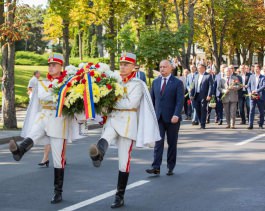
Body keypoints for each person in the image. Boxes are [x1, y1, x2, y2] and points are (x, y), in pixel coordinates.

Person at [9, 53, 83, 204]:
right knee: (34, 132)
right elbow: (43, 97)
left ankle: (58, 192)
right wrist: (56, 96)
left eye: (54, 65)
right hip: (44, 116)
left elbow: (69, 100)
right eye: (49, 65)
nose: (51, 67)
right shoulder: (43, 82)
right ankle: (20, 151)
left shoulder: (69, 83)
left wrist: (57, 95)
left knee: (58, 159)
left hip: (59, 120)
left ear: (61, 66)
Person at [89, 52, 160, 208]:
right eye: (121, 64)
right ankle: (98, 155)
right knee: (105, 137)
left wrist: (114, 99)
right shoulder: (113, 81)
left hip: (128, 123)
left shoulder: (138, 84)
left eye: (126, 64)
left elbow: (131, 104)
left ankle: (119, 196)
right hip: (113, 119)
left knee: (123, 162)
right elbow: (106, 101)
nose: (122, 66)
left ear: (134, 66)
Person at [146, 60, 184, 176]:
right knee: (158, 142)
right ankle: (156, 167)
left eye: (164, 67)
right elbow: (152, 100)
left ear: (170, 68)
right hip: (159, 118)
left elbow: (179, 101)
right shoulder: (156, 82)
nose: (162, 69)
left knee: (172, 143)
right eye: (160, 67)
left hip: (173, 119)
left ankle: (170, 166)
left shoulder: (177, 83)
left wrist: (176, 114)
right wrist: (150, 115)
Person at [190, 64, 213, 129]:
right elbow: (193, 86)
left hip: (204, 95)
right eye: (198, 68)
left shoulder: (208, 76)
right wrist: (191, 94)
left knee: (203, 109)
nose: (198, 69)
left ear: (203, 68)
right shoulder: (196, 76)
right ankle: (200, 121)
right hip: (196, 95)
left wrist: (209, 95)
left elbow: (211, 86)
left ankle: (203, 124)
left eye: (200, 68)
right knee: (197, 109)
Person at [247, 64, 265, 129]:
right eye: (254, 69)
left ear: (260, 69)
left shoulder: (263, 77)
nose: (255, 70)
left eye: (257, 69)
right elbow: (248, 86)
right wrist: (249, 92)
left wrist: (256, 90)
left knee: (261, 111)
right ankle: (250, 125)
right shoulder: (251, 76)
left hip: (260, 96)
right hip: (252, 96)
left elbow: (263, 86)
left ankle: (261, 124)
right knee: (251, 110)